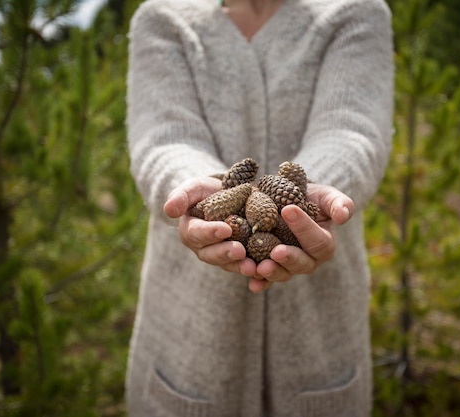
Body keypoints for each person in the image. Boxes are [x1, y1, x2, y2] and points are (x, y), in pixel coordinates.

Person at [125, 0, 393, 415]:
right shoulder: (163, 20)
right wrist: (201, 195)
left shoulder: (356, 12)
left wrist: (307, 197)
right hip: (185, 337)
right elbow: (164, 139)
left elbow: (352, 131)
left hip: (321, 332)